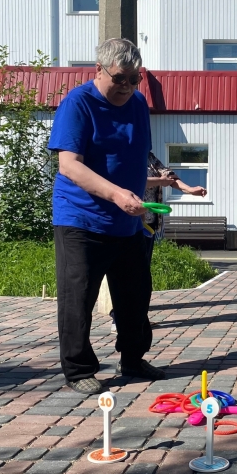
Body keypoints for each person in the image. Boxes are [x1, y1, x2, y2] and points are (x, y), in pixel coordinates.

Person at [49, 38, 164, 394]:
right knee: (78, 296)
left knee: (135, 294)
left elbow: (133, 158)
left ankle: (132, 358)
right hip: (81, 218)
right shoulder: (78, 103)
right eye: (120, 78)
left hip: (126, 219)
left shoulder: (139, 104)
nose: (127, 87)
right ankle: (79, 370)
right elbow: (68, 165)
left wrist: (150, 186)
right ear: (98, 70)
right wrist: (116, 194)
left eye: (135, 79)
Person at [108, 153, 207, 332]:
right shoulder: (127, 155)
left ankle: (138, 318)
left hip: (149, 225)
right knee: (128, 273)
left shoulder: (149, 157)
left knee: (142, 275)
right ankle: (119, 318)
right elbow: (133, 181)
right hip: (131, 223)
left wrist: (189, 189)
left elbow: (169, 177)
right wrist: (159, 181)